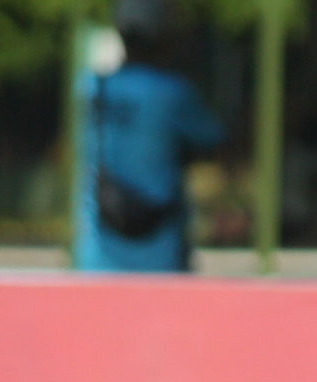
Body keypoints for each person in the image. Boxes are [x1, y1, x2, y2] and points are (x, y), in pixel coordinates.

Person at [77, 0, 224, 275]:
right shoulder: (173, 93)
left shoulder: (90, 87)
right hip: (160, 253)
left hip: (96, 254)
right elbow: (214, 140)